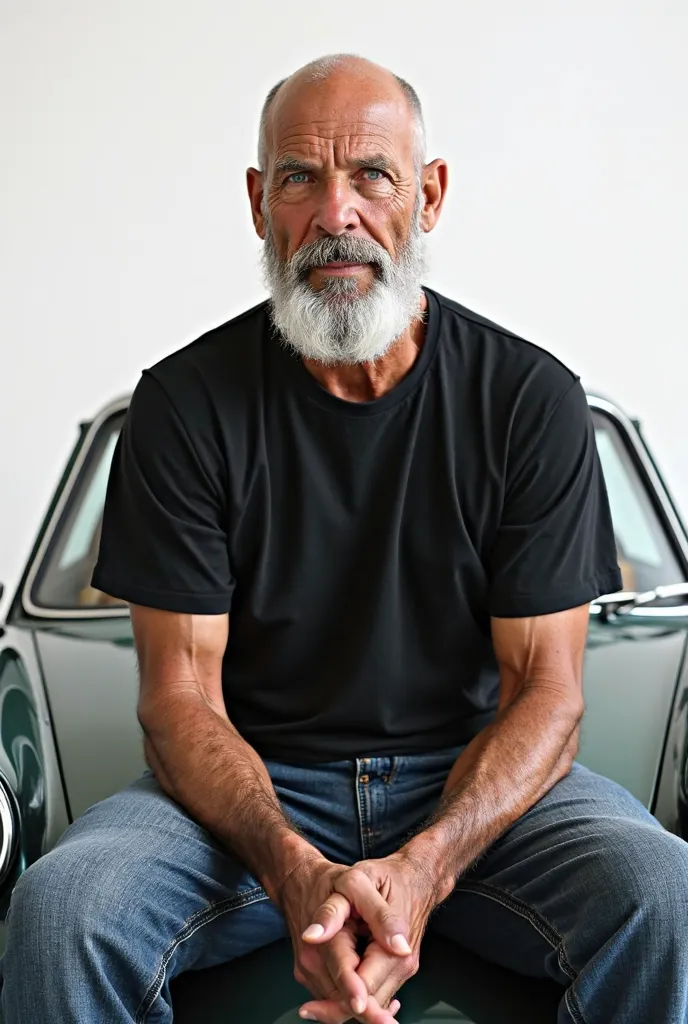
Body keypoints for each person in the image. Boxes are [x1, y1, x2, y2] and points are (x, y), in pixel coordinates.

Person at [2, 52, 688, 1024]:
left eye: (371, 174)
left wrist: (424, 865)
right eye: (299, 178)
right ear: (257, 202)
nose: (335, 215)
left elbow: (548, 693)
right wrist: (296, 873)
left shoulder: (527, 400)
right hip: (250, 790)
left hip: (477, 787)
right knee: (62, 908)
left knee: (669, 898)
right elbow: (180, 697)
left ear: (430, 193)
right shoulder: (183, 406)